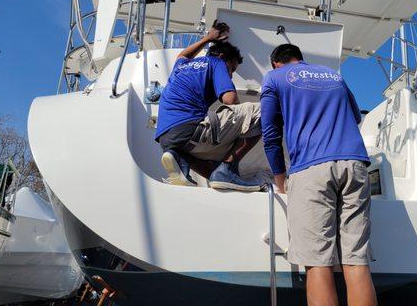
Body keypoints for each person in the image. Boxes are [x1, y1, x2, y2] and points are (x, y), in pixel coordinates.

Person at [260, 44, 377, 306]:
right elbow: (356, 116)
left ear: (276, 63)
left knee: (317, 262)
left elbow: (270, 135)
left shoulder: (274, 78)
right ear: (299, 58)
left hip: (312, 169)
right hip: (355, 164)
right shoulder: (332, 75)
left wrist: (281, 180)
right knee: (356, 260)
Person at [155, 21, 262, 192]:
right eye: (232, 69)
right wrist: (243, 127)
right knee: (263, 111)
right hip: (188, 129)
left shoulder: (181, 66)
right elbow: (230, 100)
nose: (231, 74)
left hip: (167, 139)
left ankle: (218, 177)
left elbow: (183, 55)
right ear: (222, 58)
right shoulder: (217, 63)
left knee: (211, 166)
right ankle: (227, 170)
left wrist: (207, 39)